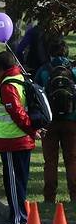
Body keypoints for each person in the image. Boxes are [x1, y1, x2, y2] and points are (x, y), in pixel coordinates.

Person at [0, 50, 41, 224]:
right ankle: (21, 217)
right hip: (20, 139)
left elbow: (16, 113)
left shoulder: (7, 85)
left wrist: (31, 130)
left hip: (12, 139)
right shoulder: (20, 78)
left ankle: (18, 221)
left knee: (13, 182)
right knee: (20, 180)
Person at [36, 39, 76, 205]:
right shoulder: (73, 70)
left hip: (49, 122)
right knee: (72, 160)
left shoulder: (44, 71)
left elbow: (37, 95)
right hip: (72, 121)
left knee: (50, 161)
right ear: (66, 53)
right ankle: (74, 197)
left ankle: (49, 198)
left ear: (50, 54)